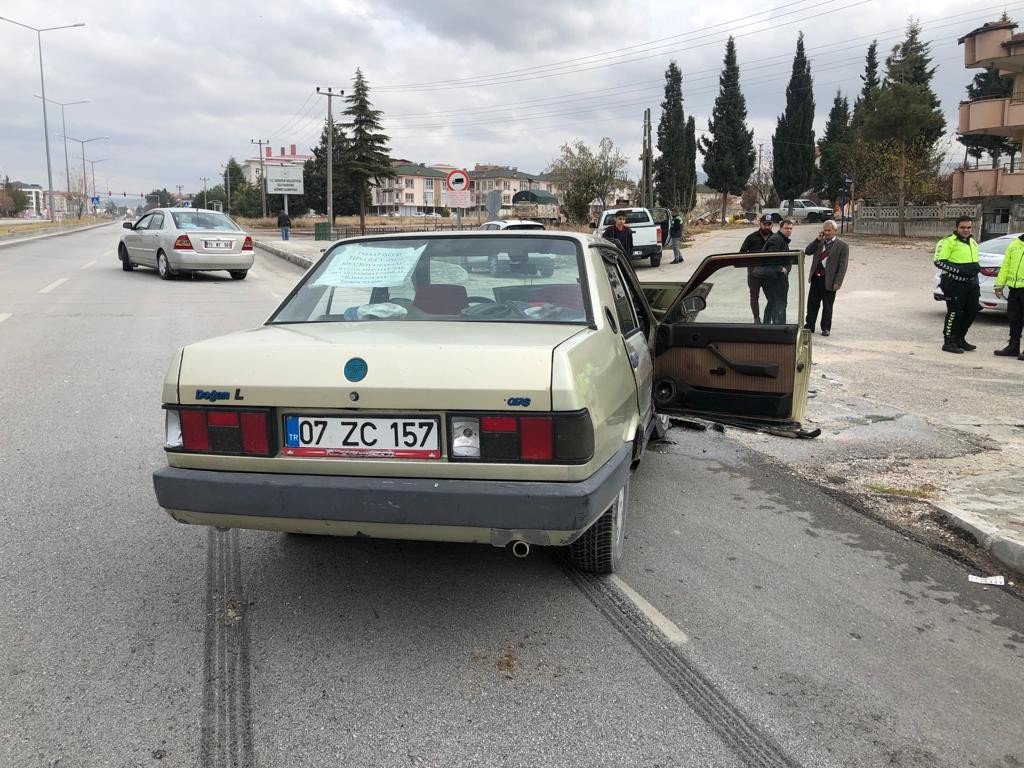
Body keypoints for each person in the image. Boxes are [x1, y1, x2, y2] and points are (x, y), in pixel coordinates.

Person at [934, 216, 980, 354]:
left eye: (968, 227)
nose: (966, 230)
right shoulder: (947, 242)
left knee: (971, 312)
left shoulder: (973, 242)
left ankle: (960, 339)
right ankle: (949, 341)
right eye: (963, 227)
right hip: (954, 283)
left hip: (971, 284)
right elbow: (938, 261)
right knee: (955, 313)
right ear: (956, 228)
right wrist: (959, 270)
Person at [802, 220, 849, 336]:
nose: (827, 233)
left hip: (829, 280)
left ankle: (826, 327)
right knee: (812, 304)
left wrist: (838, 282)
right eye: (825, 230)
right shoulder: (819, 242)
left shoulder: (842, 246)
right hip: (816, 278)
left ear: (835, 231)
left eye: (829, 230)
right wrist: (817, 240)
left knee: (827, 306)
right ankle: (809, 325)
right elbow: (808, 251)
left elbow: (843, 266)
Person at [993, 232, 1024, 359]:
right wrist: (999, 285)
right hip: (1014, 289)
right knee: (1014, 319)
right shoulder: (1015, 244)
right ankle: (1013, 347)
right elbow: (1005, 266)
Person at [740, 214, 775, 323]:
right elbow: (742, 253)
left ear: (772, 225)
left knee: (772, 298)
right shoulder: (751, 237)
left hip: (769, 274)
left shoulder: (775, 238)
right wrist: (751, 264)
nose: (767, 227)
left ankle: (768, 319)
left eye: (769, 225)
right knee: (754, 297)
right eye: (765, 224)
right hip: (754, 273)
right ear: (760, 223)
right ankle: (756, 318)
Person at [759, 218, 794, 325]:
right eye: (786, 228)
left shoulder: (781, 239)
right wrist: (780, 268)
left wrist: (786, 268)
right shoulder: (776, 239)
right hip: (774, 278)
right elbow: (769, 257)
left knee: (773, 302)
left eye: (791, 228)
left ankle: (768, 324)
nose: (789, 230)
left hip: (775, 278)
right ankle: (779, 326)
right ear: (780, 228)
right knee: (779, 303)